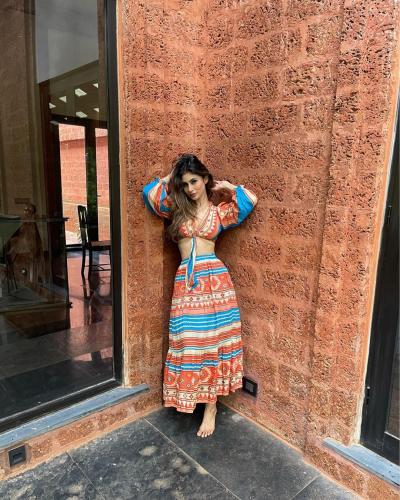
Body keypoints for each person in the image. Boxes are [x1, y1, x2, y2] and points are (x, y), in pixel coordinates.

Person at [142, 153, 257, 437]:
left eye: (194, 181)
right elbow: (150, 194)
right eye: (185, 183)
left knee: (213, 342)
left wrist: (229, 188)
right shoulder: (177, 209)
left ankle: (210, 408)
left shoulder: (219, 213)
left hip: (215, 283)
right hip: (187, 283)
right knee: (189, 340)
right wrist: (171, 177)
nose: (190, 188)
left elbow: (249, 200)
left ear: (205, 179)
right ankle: (191, 396)